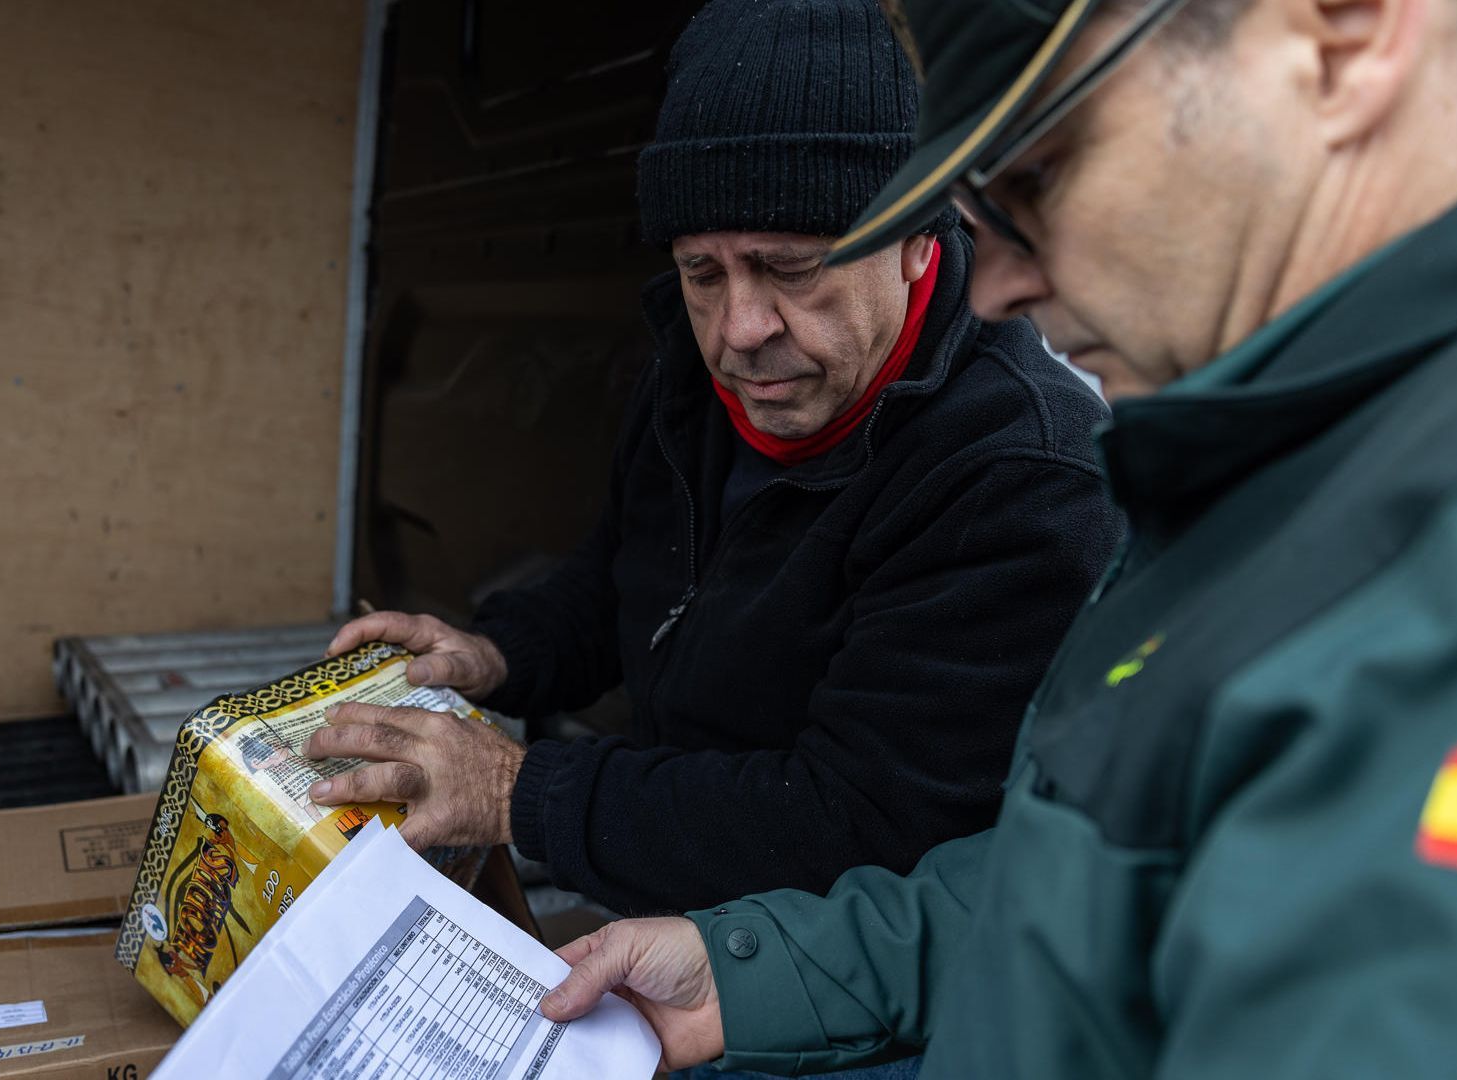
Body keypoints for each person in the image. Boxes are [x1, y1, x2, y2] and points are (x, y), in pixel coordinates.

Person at [540, 0, 1457, 1075]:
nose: (995, 281)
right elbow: (1081, 879)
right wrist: (756, 971)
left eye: (1038, 172)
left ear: (1343, 35)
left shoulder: (1451, 560)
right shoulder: (1256, 464)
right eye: (703, 271)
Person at [302, 0, 1120, 917]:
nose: (741, 330)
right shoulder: (706, 376)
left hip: (850, 978)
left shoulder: (1017, 476)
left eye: (794, 268)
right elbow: (626, 579)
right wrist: (497, 651)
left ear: (915, 240)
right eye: (703, 272)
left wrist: (515, 793)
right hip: (678, 892)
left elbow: (858, 827)